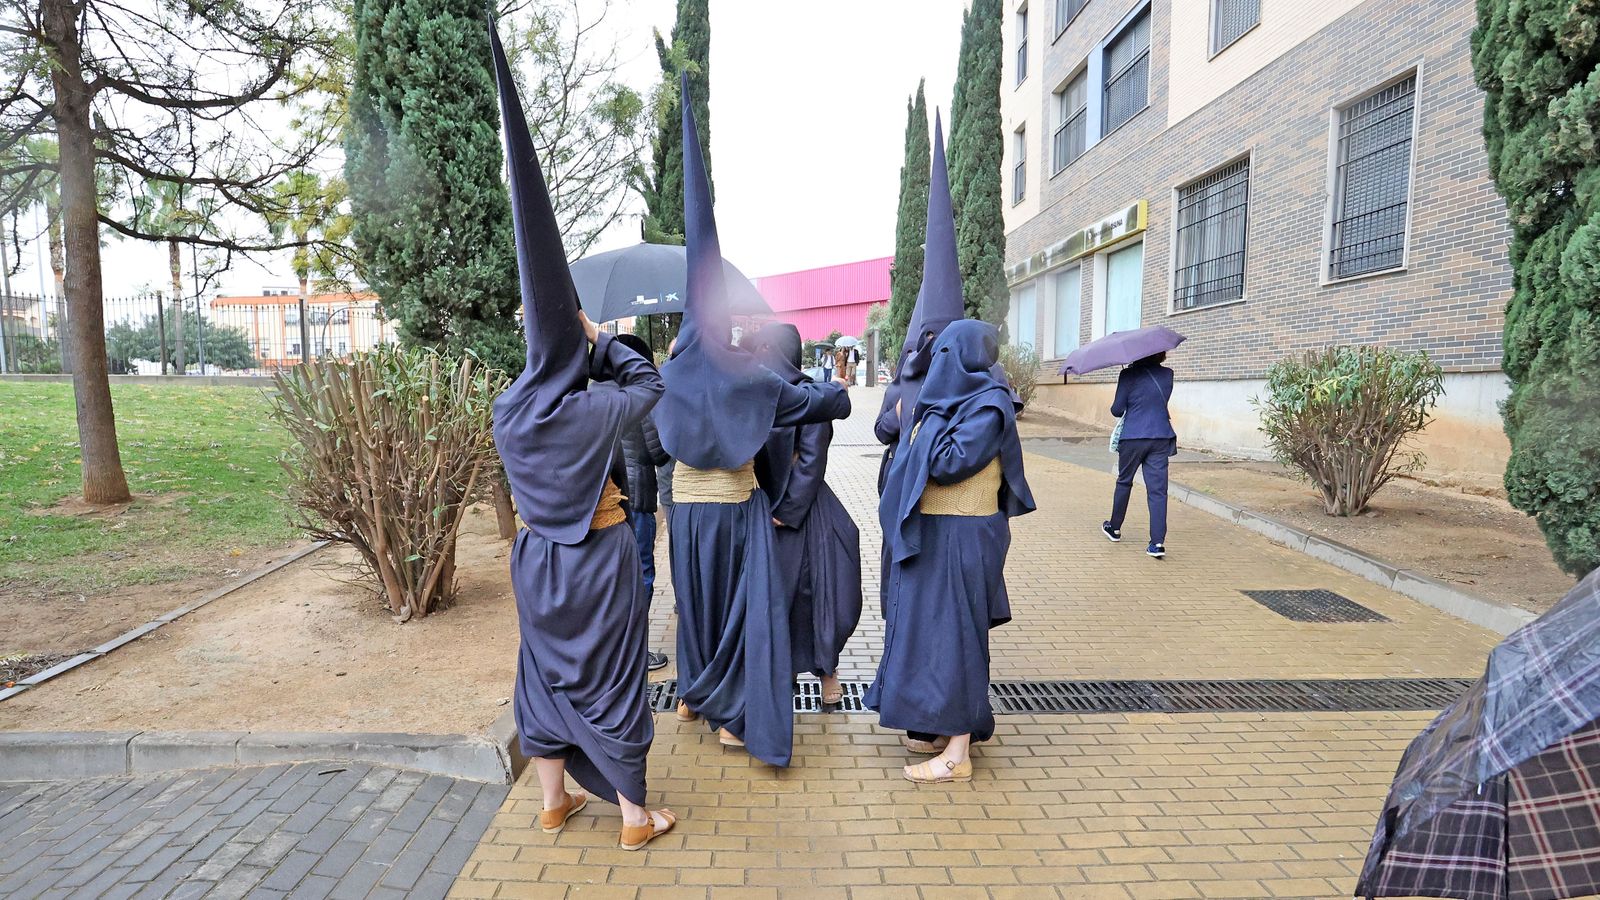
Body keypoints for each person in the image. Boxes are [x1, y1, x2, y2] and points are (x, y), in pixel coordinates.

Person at [487, 19, 674, 850]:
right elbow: (651, 384)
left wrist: (566, 342)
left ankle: (554, 800)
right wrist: (600, 342)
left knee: (546, 676)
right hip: (595, 560)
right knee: (611, 679)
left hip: (534, 561)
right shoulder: (588, 406)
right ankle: (636, 817)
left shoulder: (510, 407)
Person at [656, 75, 852, 768]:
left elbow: (653, 448)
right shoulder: (755, 377)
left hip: (686, 514)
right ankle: (738, 719)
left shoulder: (667, 374)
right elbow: (832, 406)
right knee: (747, 617)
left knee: (698, 606)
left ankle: (694, 695)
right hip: (737, 511)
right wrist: (819, 384)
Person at [867, 320, 1035, 783]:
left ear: (963, 358)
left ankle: (958, 753)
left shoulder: (989, 405)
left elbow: (947, 463)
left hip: (966, 537)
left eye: (944, 353)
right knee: (936, 633)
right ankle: (945, 727)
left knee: (959, 635)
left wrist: (920, 422)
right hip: (943, 533)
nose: (936, 363)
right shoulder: (962, 401)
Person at [746, 322, 862, 708]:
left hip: (803, 512)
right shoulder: (757, 390)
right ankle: (785, 672)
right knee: (779, 597)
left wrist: (789, 509)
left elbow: (812, 459)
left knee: (817, 594)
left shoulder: (812, 396)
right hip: (763, 506)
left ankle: (828, 671)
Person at [613, 332, 672, 671]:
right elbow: (659, 453)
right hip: (637, 498)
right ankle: (637, 652)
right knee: (642, 575)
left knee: (615, 577)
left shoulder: (593, 393)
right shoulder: (638, 399)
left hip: (605, 501)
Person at [1102, 351, 1176, 559]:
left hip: (1133, 437)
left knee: (1124, 482)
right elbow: (1158, 404)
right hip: (1160, 437)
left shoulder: (1128, 375)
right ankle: (1157, 543)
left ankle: (1114, 528)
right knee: (1158, 491)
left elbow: (1117, 410)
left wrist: (1126, 383)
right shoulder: (1168, 375)